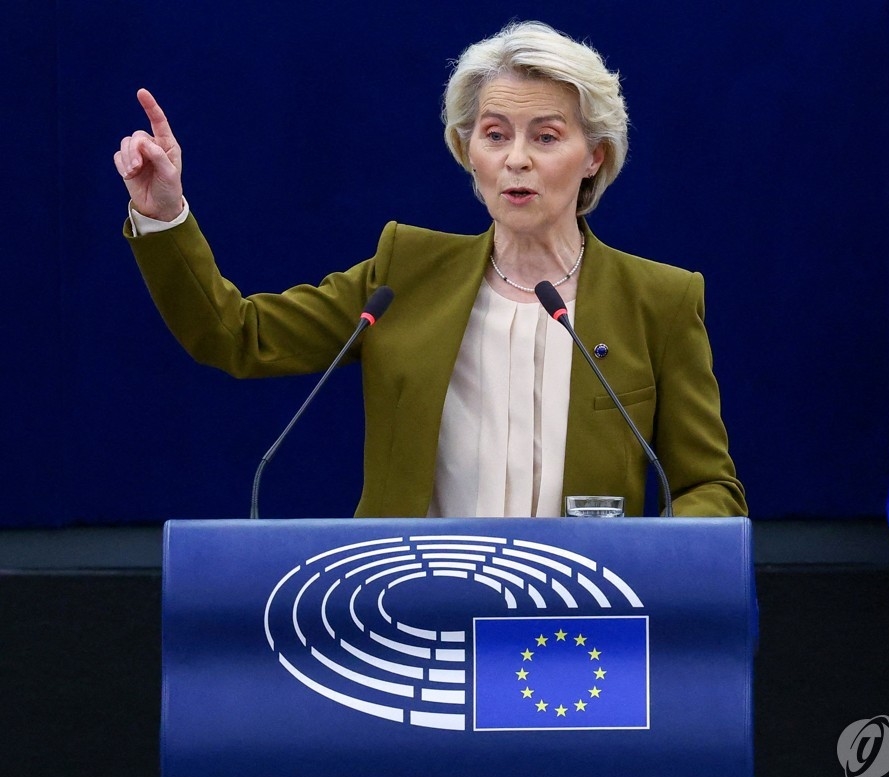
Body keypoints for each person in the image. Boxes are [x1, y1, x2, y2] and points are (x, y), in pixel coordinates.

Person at [114, 21, 746, 518]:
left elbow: (709, 487)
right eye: (494, 134)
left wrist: (654, 555)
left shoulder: (658, 300)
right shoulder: (406, 275)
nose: (516, 159)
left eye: (546, 136)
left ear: (594, 157)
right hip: (412, 612)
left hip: (570, 624)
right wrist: (164, 215)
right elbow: (237, 336)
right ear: (467, 150)